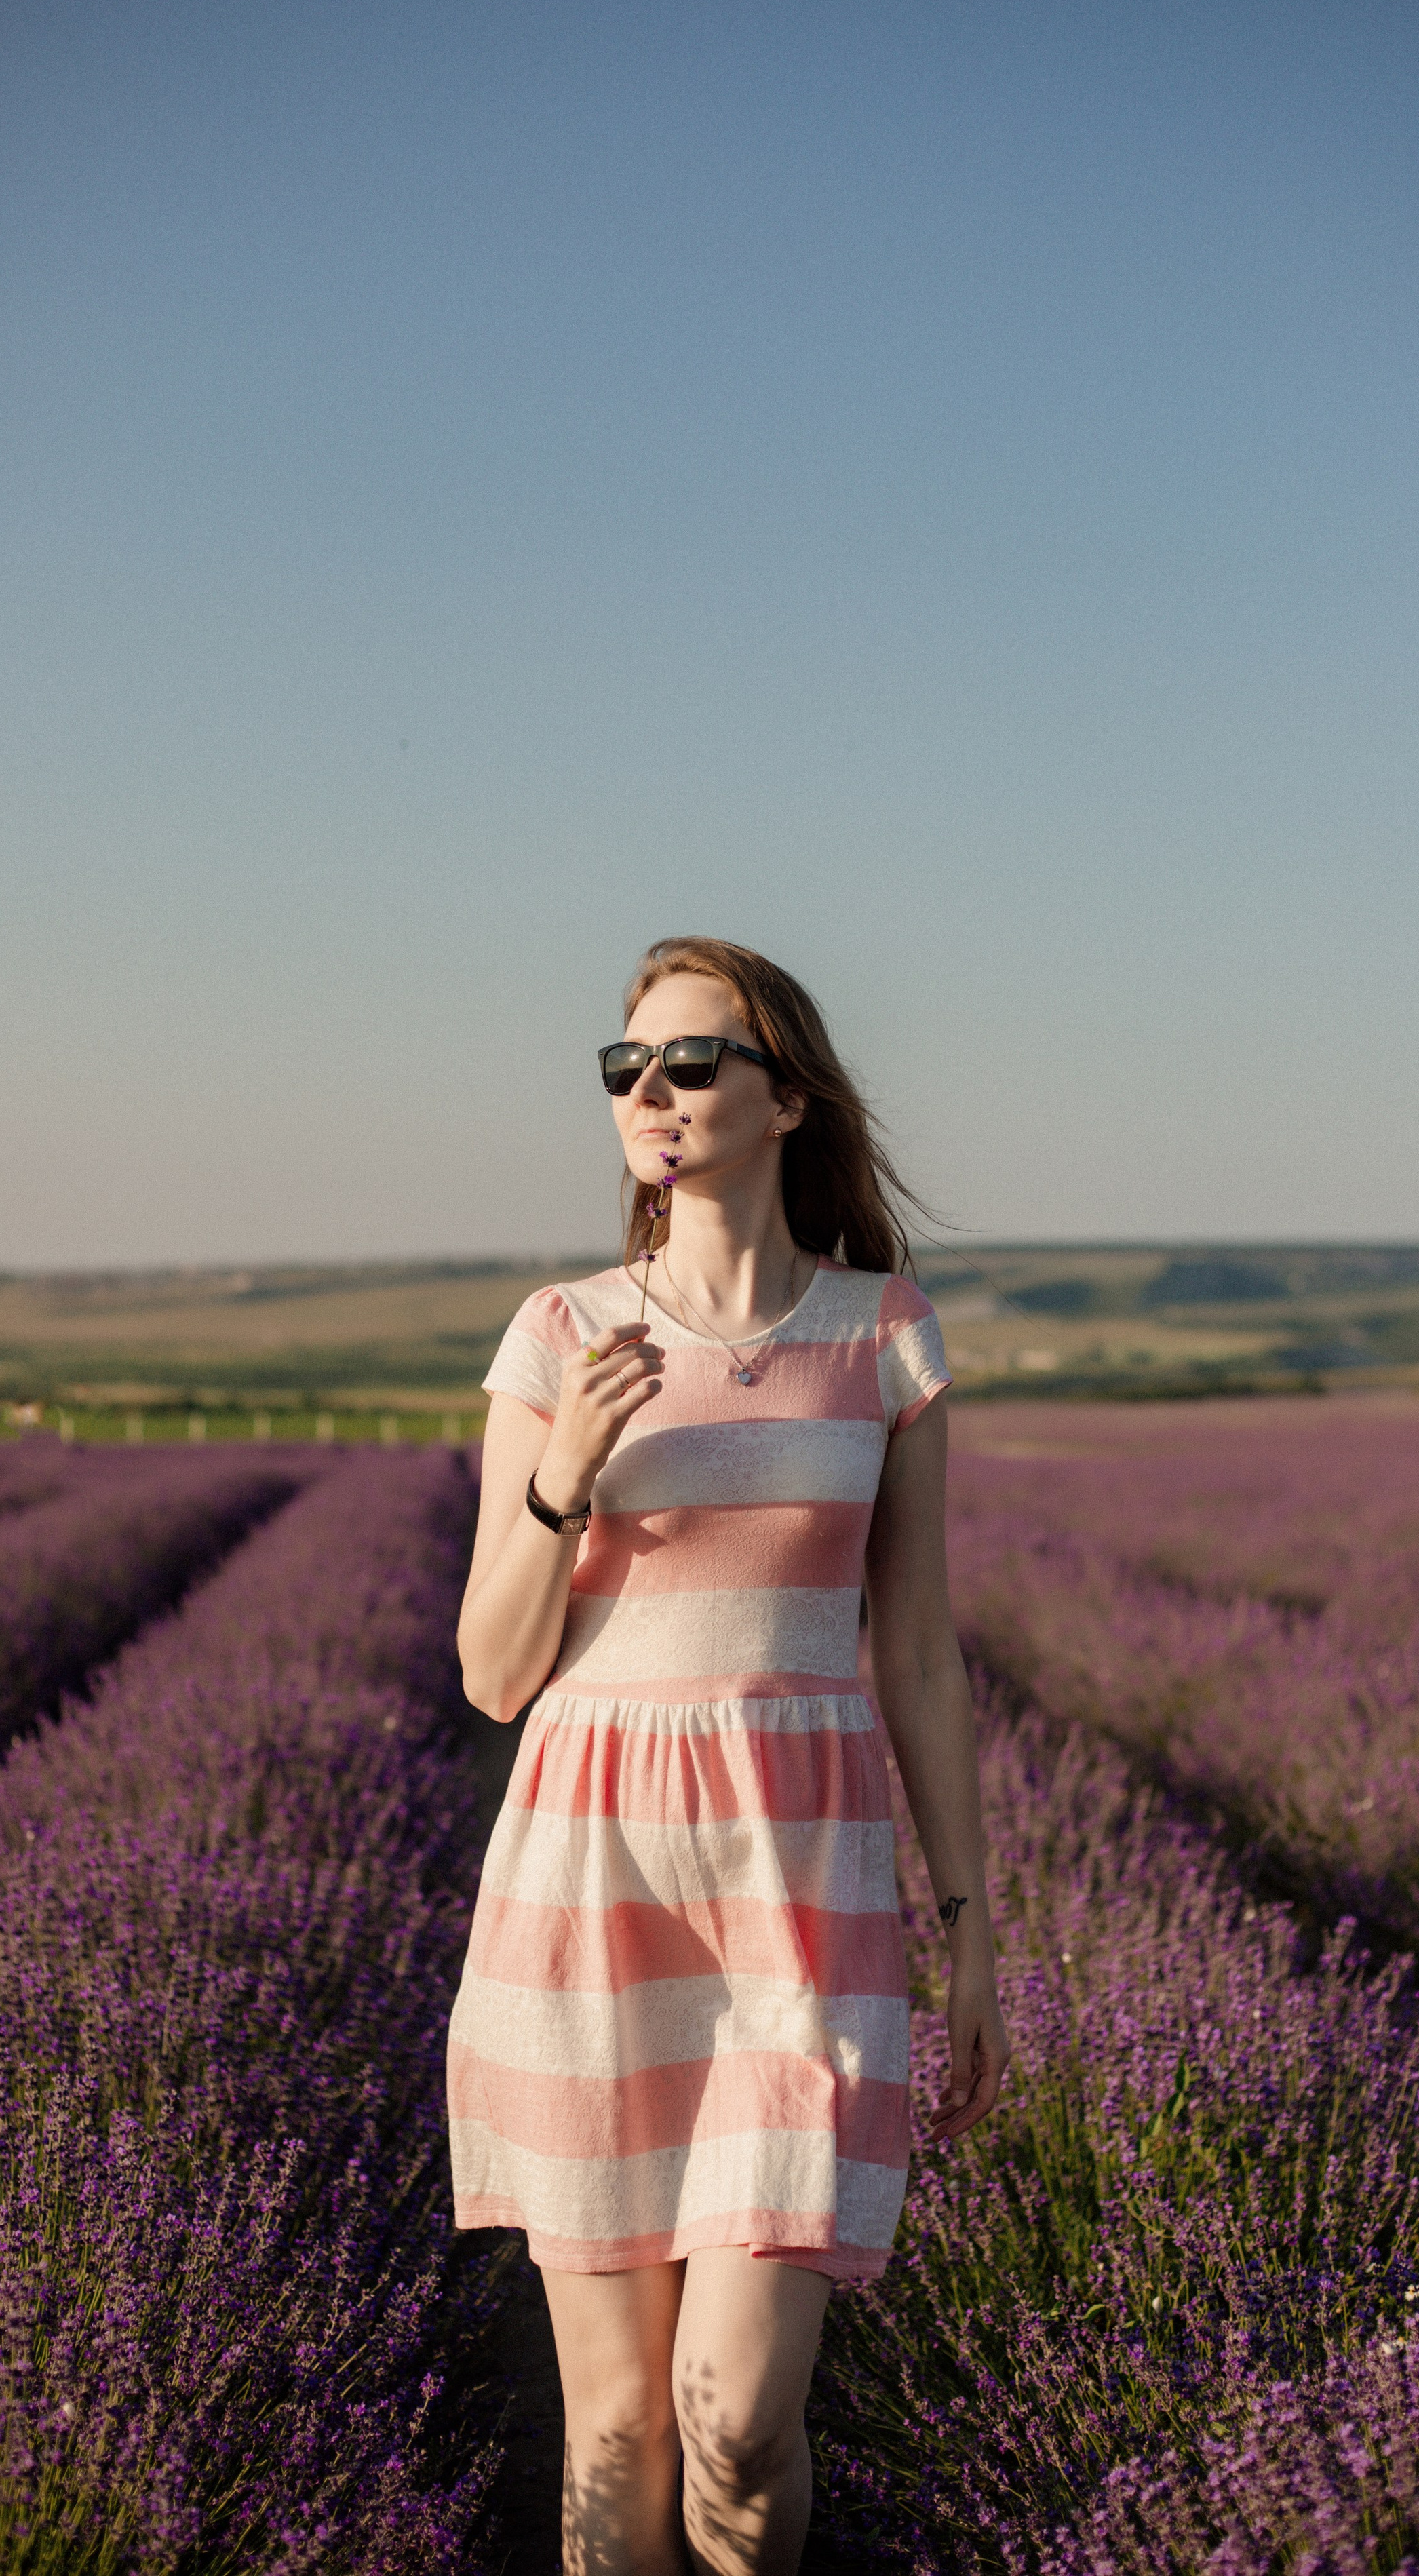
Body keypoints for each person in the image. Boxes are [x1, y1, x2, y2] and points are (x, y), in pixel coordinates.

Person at [450, 935, 1007, 2576]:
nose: (651, 1094)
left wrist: (968, 1934)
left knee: (738, 2419)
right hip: (591, 1883)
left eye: (691, 1063)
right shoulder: (557, 1333)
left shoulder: (881, 1338)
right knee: (616, 2431)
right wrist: (564, 1475)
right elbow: (492, 1678)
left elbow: (913, 1652)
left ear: (786, 1098)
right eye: (625, 1066)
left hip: (799, 1890)